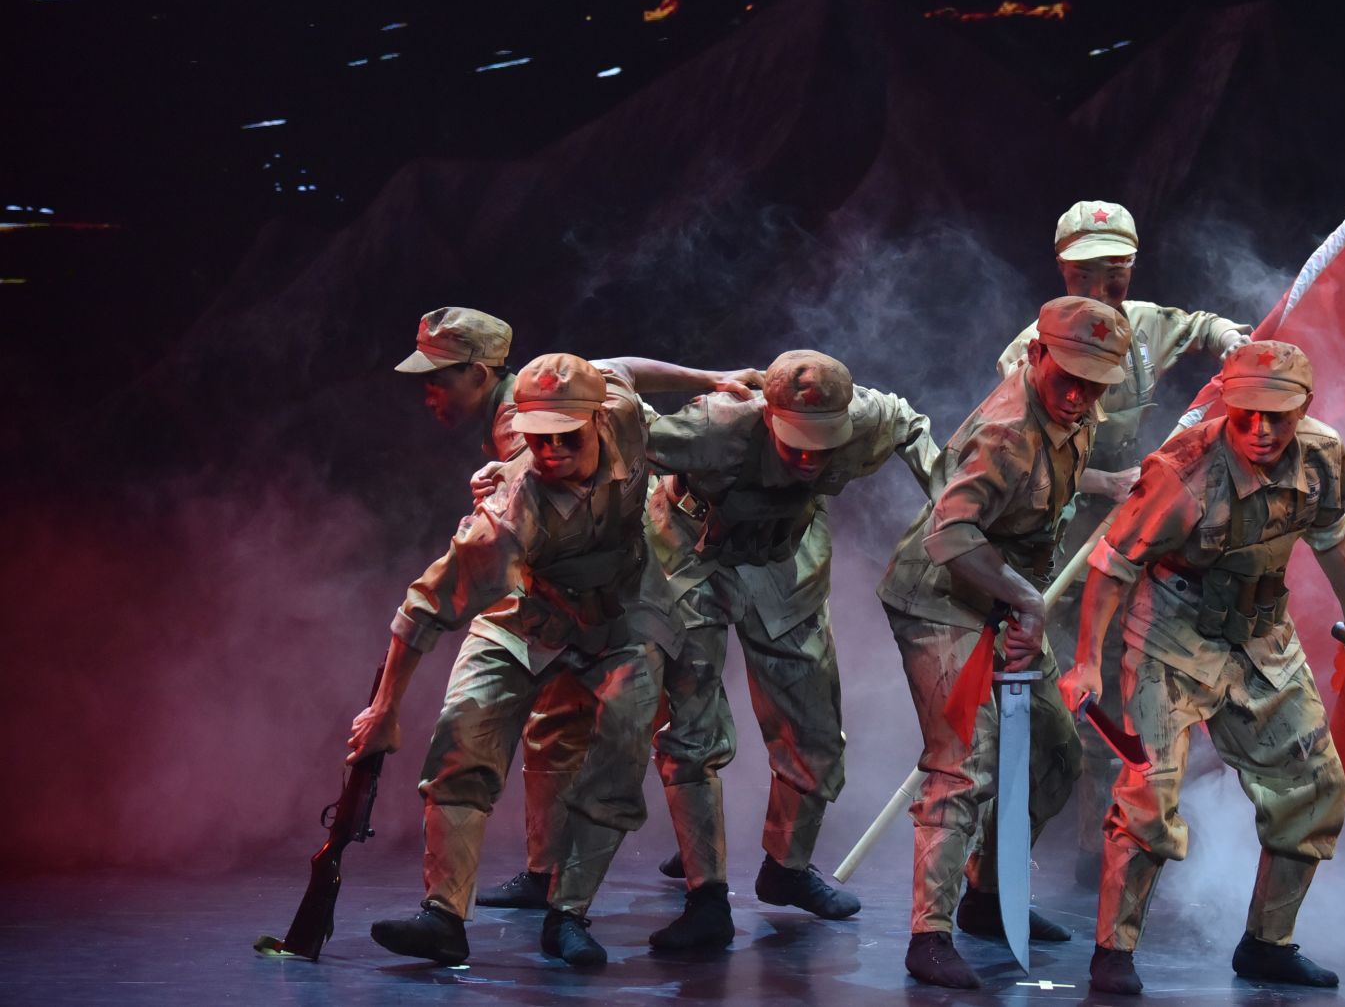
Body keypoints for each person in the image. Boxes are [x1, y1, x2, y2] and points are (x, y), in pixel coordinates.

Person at [395, 308, 762, 910]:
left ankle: (704, 893)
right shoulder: (554, 388)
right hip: (570, 594)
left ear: (480, 373)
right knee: (557, 729)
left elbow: (548, 477)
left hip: (631, 589)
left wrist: (508, 478)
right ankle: (548, 877)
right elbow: (618, 368)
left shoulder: (527, 423)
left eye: (439, 377)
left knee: (673, 733)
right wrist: (708, 374)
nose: (428, 392)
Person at [1061, 341, 1345, 994]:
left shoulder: (1322, 455)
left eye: (1277, 415)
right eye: (1245, 414)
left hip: (1262, 638)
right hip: (1172, 635)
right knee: (1150, 794)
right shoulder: (1183, 473)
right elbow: (1112, 564)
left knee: (1314, 786)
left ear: (1304, 408)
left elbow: (1330, 533)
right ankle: (1113, 952)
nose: (1260, 429)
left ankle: (1268, 943)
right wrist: (1087, 661)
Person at [349, 353, 664, 968]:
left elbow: (622, 368)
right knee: (462, 736)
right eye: (538, 437)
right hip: (524, 616)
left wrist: (716, 380)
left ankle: (568, 914)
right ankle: (443, 916)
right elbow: (424, 608)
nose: (551, 451)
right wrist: (383, 711)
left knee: (622, 754)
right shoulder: (510, 510)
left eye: (566, 436)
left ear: (598, 419)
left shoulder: (625, 412)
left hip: (619, 614)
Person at [638, 350, 940, 950]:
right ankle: (706, 895)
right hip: (691, 554)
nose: (809, 457)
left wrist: (957, 505)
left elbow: (911, 425)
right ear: (768, 416)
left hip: (782, 557)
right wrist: (702, 378)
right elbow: (607, 411)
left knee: (815, 733)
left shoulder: (866, 417)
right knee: (693, 732)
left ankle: (786, 867)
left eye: (822, 443)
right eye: (795, 441)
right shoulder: (716, 425)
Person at [879, 295, 1132, 989]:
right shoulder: (1006, 430)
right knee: (964, 764)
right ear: (1036, 354)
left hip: (1005, 596)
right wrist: (1025, 600)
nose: (1079, 395)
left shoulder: (1074, 410)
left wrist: (1111, 486)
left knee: (1054, 751)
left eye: (1095, 382)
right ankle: (929, 935)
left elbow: (1049, 488)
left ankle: (987, 897)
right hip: (941, 597)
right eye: (1068, 377)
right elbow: (950, 534)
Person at [995, 202, 1248, 868]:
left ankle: (1094, 849)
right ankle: (997, 860)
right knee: (1038, 694)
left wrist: (1229, 338)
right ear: (1062, 271)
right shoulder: (1031, 352)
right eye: (1086, 274)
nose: (1102, 288)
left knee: (1109, 689)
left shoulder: (1141, 329)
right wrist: (1104, 482)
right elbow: (1014, 460)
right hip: (1044, 542)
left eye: (1116, 272)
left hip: (1118, 544)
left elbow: (1199, 326)